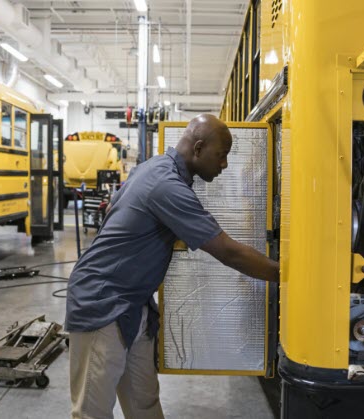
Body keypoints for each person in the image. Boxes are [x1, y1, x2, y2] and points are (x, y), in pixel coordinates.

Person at [66, 114, 279, 419]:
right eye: (221, 156)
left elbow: (113, 210)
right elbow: (229, 253)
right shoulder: (166, 185)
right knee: (92, 411)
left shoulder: (151, 168)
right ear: (199, 148)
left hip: (134, 305)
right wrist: (287, 274)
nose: (225, 165)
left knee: (145, 404)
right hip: (102, 304)